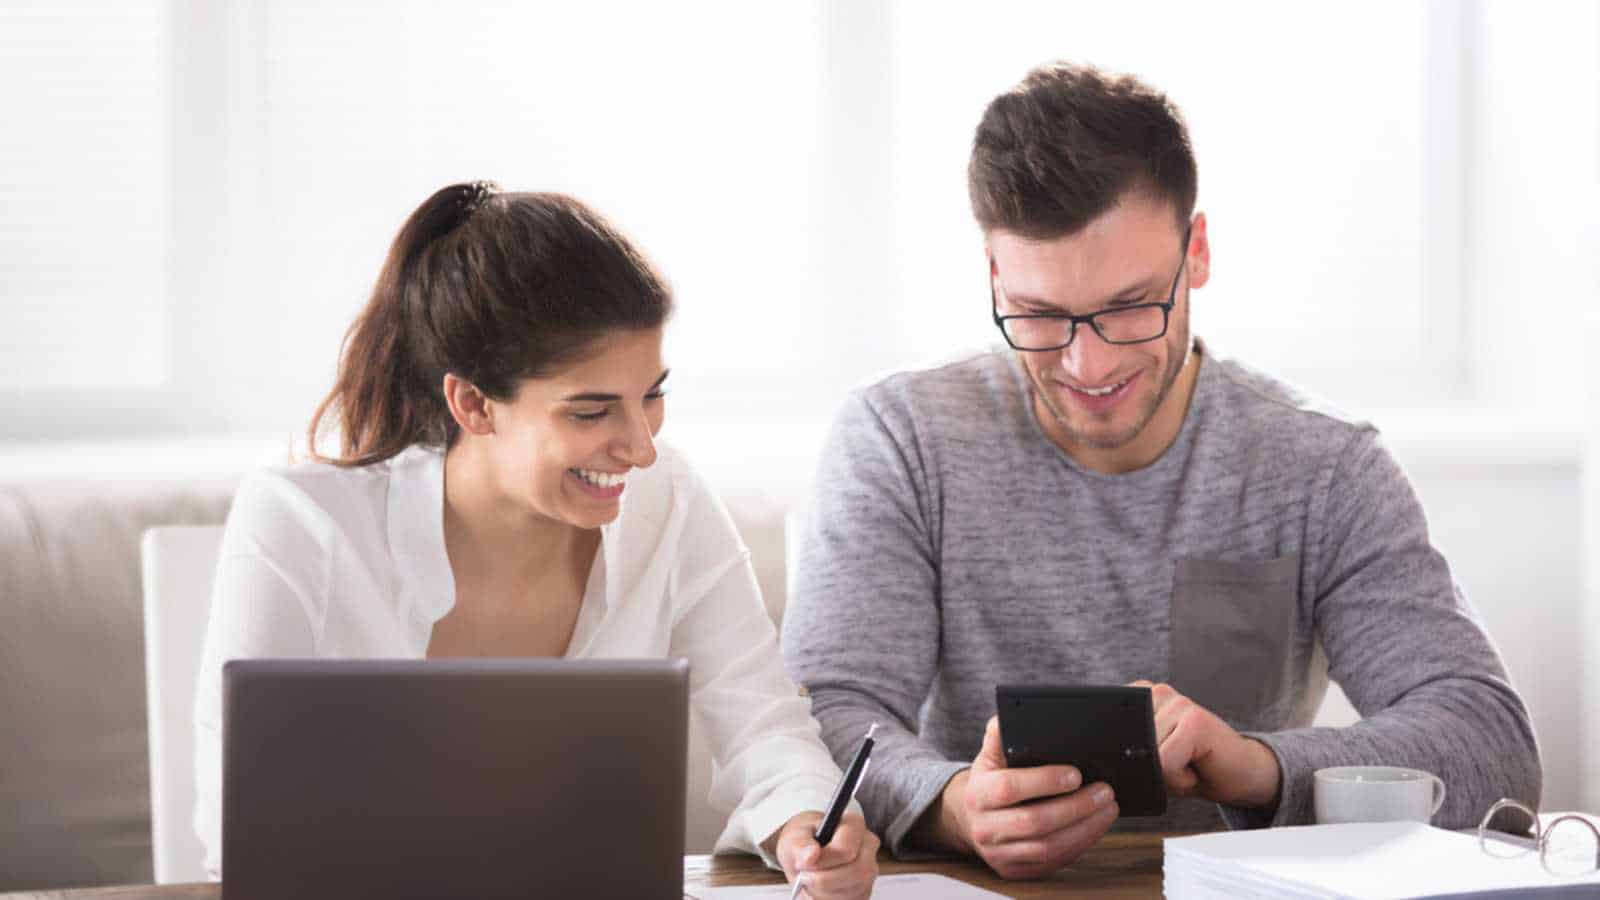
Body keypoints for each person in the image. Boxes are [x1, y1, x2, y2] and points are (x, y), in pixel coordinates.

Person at [781, 63, 1542, 880]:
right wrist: (953, 806)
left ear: (1198, 253)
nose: (1088, 362)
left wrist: (1258, 766)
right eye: (1039, 316)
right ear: (995, 277)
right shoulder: (902, 438)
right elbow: (819, 719)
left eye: (1129, 306)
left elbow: (1490, 743)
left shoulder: (1322, 466)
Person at [193, 182, 878, 898]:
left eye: (652, 394)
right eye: (591, 412)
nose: (640, 448)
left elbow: (763, 723)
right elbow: (239, 825)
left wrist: (806, 823)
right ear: (474, 404)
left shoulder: (668, 499)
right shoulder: (300, 521)